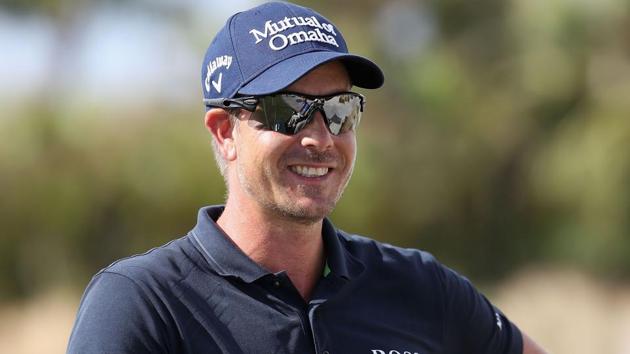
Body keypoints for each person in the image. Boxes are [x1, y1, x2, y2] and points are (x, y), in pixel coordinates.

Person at [67, 2, 548, 353]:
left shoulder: (420, 286)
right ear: (224, 132)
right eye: (289, 110)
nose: (321, 138)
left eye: (340, 110)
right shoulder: (142, 303)